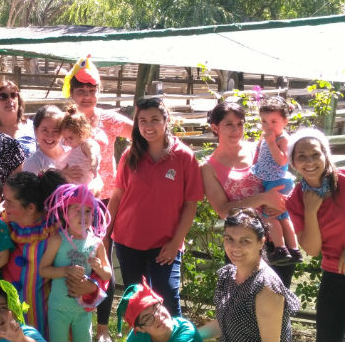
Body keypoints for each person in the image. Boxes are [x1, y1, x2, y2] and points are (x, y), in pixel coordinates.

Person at [108, 97, 203, 317]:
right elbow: (117, 196)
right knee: (136, 300)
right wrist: (106, 233)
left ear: (166, 120)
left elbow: (190, 204)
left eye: (154, 120)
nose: (148, 126)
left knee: (168, 296)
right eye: (142, 121)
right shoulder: (129, 155)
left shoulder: (183, 157)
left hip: (165, 245)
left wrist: (176, 242)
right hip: (128, 240)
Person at [64, 55, 133, 342]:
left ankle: (102, 326)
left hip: (104, 202)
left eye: (92, 90)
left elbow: (143, 134)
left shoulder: (109, 119)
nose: (87, 95)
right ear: (72, 92)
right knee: (70, 256)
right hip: (69, 201)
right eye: (81, 90)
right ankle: (71, 318)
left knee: (101, 257)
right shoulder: (63, 120)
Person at [201, 101, 295, 286]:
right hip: (240, 243)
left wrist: (284, 202)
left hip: (277, 240)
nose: (236, 129)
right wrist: (263, 199)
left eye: (240, 124)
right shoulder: (208, 167)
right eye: (229, 124)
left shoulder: (260, 148)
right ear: (215, 127)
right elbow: (223, 210)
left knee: (278, 301)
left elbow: (285, 177)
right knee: (244, 304)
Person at [198, 208, 299, 342]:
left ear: (261, 242)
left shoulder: (266, 287)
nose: (235, 247)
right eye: (229, 239)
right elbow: (224, 324)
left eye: (245, 240)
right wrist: (188, 334)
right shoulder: (228, 274)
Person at [286, 128, 345, 342]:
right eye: (301, 156)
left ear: (325, 155)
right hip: (335, 275)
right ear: (293, 162)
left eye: (315, 154)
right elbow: (312, 249)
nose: (309, 161)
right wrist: (310, 211)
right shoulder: (295, 200)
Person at [39, 184, 112, 342]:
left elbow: (108, 274)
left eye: (87, 211)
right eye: (77, 211)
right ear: (65, 214)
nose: (83, 216)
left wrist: (99, 268)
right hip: (58, 307)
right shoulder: (57, 240)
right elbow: (43, 270)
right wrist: (65, 270)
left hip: (83, 309)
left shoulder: (96, 243)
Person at [1, 170, 65, 336]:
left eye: (9, 202)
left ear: (30, 208)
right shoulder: (3, 225)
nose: (4, 206)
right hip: (10, 314)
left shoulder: (55, 232)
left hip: (46, 314)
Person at [251, 96, 300, 265]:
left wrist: (272, 143)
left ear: (285, 122)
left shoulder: (282, 139)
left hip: (278, 180)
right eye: (264, 122)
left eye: (273, 122)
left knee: (270, 216)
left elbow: (283, 161)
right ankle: (294, 250)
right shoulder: (265, 137)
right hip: (270, 180)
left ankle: (280, 248)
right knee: (283, 217)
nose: (268, 126)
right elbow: (258, 155)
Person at [116, 277, 202, 342]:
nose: (157, 317)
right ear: (140, 329)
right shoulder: (139, 336)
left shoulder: (185, 331)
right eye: (147, 318)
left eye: (157, 308)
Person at [0, 80, 36, 158]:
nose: (9, 100)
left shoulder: (33, 127)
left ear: (18, 101)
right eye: (3, 96)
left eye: (13, 95)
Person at [59, 106, 101, 187]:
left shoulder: (85, 144)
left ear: (82, 133)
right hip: (74, 186)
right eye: (65, 138)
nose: (67, 141)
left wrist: (93, 165)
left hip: (85, 187)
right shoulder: (74, 149)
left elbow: (92, 154)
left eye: (70, 138)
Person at [22, 105, 66, 175]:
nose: (50, 135)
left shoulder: (73, 152)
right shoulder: (32, 164)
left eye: (55, 130)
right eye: (45, 130)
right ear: (36, 130)